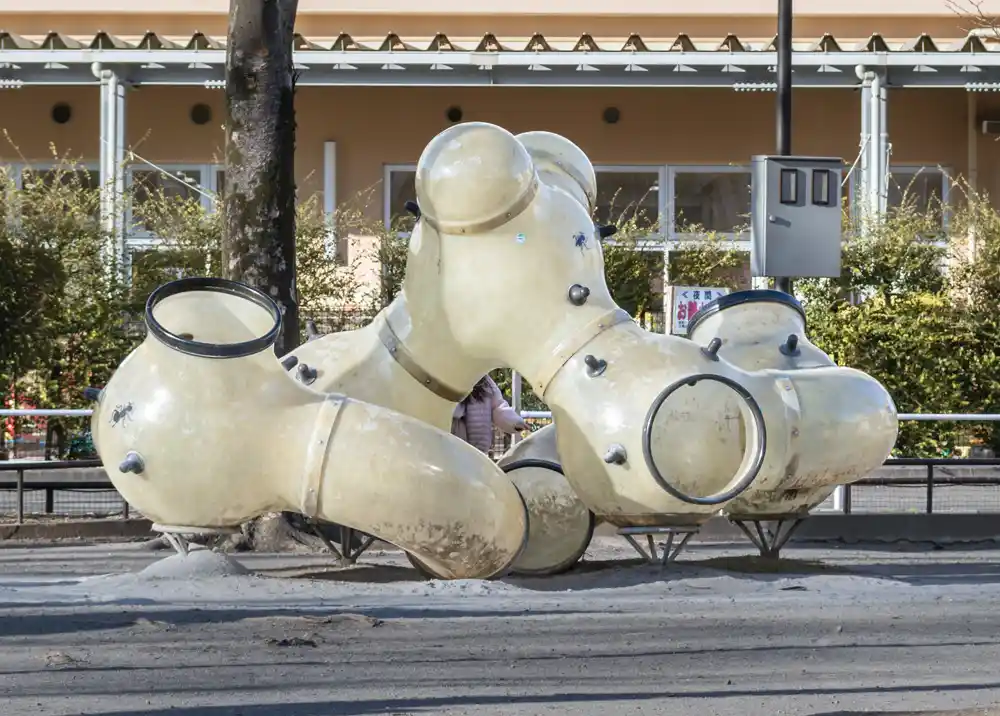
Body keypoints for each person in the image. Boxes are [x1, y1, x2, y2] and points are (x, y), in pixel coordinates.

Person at [452, 375, 528, 455]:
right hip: (447, 445)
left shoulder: (484, 382)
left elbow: (498, 407)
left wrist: (515, 422)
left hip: (476, 452)